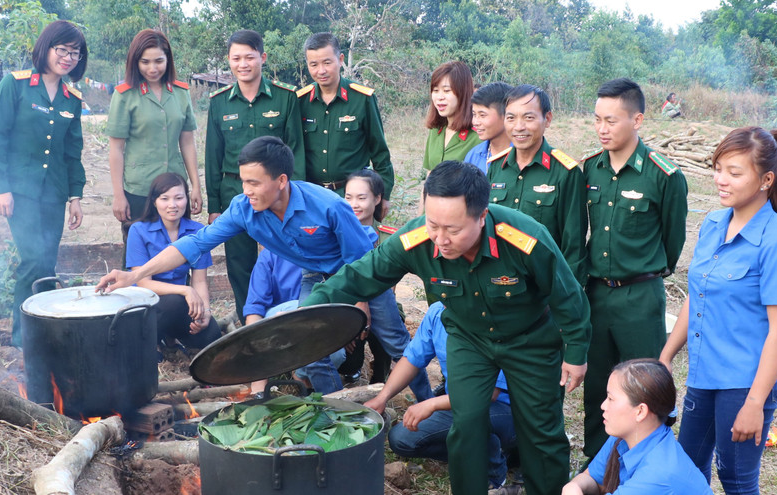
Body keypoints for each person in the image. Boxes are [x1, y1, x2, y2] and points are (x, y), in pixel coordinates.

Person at [301, 160, 591, 495]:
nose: (440, 239)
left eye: (452, 230)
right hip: (469, 339)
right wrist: (305, 314)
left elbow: (568, 296)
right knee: (466, 425)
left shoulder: (524, 239)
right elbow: (360, 276)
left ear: (482, 217)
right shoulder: (418, 239)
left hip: (530, 340)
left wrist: (576, 352)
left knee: (541, 430)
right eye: (433, 224)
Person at [97, 136, 430, 399]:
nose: (246, 191)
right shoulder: (244, 209)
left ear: (281, 180)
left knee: (396, 343)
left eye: (255, 183)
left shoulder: (327, 206)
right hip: (313, 277)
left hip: (360, 271)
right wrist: (134, 274)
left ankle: (425, 406)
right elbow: (193, 245)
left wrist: (361, 304)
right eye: (243, 181)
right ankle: (340, 412)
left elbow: (362, 262)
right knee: (311, 348)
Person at [660, 127, 777, 494]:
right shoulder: (712, 224)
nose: (721, 180)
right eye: (718, 168)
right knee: (687, 472)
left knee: (737, 479)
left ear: (766, 180)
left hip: (745, 382)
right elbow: (696, 295)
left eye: (734, 173)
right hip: (705, 373)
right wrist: (666, 357)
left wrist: (755, 403)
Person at [582, 78, 688, 460]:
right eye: (597, 119)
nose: (602, 129)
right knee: (598, 389)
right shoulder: (589, 170)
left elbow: (673, 241)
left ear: (638, 119)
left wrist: (647, 270)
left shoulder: (663, 175)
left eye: (611, 120)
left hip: (641, 296)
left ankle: (643, 468)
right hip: (597, 294)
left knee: (644, 390)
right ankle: (598, 467)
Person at [0, 20, 88, 347]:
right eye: (62, 50)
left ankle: (43, 334)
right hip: (20, 192)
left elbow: (72, 153)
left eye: (75, 53)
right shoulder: (15, 85)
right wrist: (1, 188)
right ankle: (23, 339)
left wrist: (75, 197)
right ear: (46, 48)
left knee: (46, 261)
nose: (68, 58)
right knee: (32, 258)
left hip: (54, 194)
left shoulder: (72, 98)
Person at [205, 29, 304, 325]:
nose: (243, 64)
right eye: (236, 58)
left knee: (283, 259)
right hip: (233, 193)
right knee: (239, 263)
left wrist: (293, 200)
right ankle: (248, 327)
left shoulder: (286, 98)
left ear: (262, 57)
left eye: (249, 57)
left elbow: (295, 152)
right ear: (229, 61)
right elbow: (213, 156)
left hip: (276, 196)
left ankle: (284, 324)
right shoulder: (220, 102)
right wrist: (214, 206)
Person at [365, 302, 518, 493]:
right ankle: (484, 453)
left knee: (472, 417)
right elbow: (411, 358)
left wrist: (433, 403)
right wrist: (383, 397)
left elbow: (488, 394)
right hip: (460, 403)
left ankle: (493, 474)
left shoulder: (496, 321)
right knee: (401, 439)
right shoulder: (438, 311)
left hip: (505, 411)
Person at [107, 30, 201, 254]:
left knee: (178, 251)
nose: (153, 68)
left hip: (175, 187)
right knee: (138, 254)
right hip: (139, 190)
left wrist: (196, 186)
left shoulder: (180, 93)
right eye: (145, 62)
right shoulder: (124, 95)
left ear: (168, 59)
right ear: (135, 61)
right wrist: (119, 195)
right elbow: (116, 148)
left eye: (159, 61)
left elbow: (187, 142)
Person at [562, 359, 712, 495]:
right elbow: (593, 478)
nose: (603, 405)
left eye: (611, 399)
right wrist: (574, 486)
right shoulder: (623, 436)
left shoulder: (658, 476)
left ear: (640, 411)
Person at [487, 84, 587, 285]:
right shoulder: (496, 168)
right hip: (498, 283)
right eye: (511, 117)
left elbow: (573, 246)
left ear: (547, 119)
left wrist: (568, 296)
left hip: (542, 287)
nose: (518, 127)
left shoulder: (565, 173)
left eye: (529, 117)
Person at [298, 32, 394, 218]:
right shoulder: (300, 101)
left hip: (352, 199)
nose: (321, 70)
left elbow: (379, 151)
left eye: (327, 62)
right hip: (312, 197)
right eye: (314, 64)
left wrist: (384, 195)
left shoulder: (362, 99)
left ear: (340, 59)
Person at [125, 173, 224, 351]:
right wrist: (185, 290)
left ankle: (171, 338)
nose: (172, 205)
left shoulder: (197, 231)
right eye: (165, 199)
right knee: (173, 302)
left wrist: (205, 312)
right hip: (146, 306)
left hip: (179, 305)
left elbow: (199, 280)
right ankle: (151, 343)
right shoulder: (138, 230)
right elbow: (143, 283)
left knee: (212, 336)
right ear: (154, 201)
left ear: (186, 199)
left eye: (179, 198)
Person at [340, 169, 396, 383]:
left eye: (361, 198)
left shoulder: (388, 237)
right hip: (347, 305)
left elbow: (389, 286)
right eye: (348, 197)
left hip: (382, 303)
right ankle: (351, 369)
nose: (354, 204)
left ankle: (381, 376)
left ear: (378, 198)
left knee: (386, 328)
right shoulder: (335, 233)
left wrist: (366, 311)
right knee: (349, 361)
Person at [423, 61, 481, 173]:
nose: (440, 97)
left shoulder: (477, 136)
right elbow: (430, 174)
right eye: (435, 90)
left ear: (463, 92)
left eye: (446, 91)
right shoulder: (435, 130)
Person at [463, 82, 513, 174]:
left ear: (506, 116)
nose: (475, 122)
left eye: (482, 115)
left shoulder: (523, 155)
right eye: (474, 114)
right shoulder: (473, 156)